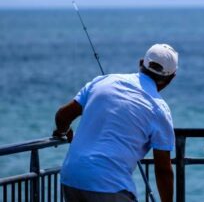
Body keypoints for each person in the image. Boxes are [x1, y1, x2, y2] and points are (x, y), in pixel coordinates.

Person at [52, 44, 178, 202]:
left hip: (71, 178)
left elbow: (62, 116)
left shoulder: (102, 82)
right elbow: (163, 169)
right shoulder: (159, 109)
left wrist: (64, 131)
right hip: (109, 185)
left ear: (141, 63)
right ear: (172, 78)